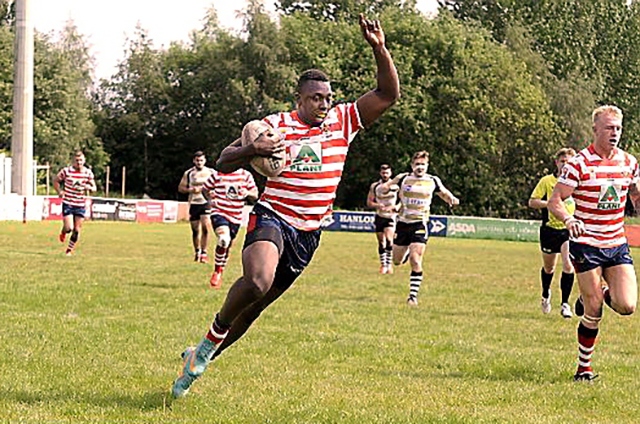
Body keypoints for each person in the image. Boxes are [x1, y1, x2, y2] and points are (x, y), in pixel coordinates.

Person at [171, 14, 400, 398]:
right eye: (316, 98)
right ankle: (208, 344)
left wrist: (379, 48)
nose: (324, 103)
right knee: (257, 281)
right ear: (300, 98)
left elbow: (388, 94)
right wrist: (251, 149)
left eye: (328, 97)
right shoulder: (274, 125)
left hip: (309, 233)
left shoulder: (343, 121)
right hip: (273, 216)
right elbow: (225, 159)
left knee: (255, 308)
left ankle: (200, 355)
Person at [548, 105, 640, 382]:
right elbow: (556, 200)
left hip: (616, 242)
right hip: (586, 242)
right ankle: (583, 369)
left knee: (627, 305)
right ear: (596, 129)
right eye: (610, 128)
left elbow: (635, 194)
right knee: (594, 309)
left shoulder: (629, 162)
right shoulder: (579, 163)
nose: (615, 133)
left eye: (619, 128)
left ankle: (594, 292)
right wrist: (567, 219)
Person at [379, 151, 459, 306]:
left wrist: (451, 198)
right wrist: (387, 189)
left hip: (420, 224)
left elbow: (442, 192)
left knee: (416, 260)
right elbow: (383, 188)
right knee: (396, 261)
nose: (420, 167)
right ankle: (407, 251)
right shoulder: (403, 178)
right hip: (402, 224)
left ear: (427, 165)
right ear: (412, 165)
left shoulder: (432, 180)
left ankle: (412, 297)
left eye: (423, 164)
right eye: (417, 164)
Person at [528, 148, 577, 318]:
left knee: (568, 264)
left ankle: (565, 304)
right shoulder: (547, 181)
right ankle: (545, 293)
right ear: (557, 163)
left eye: (569, 161)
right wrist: (549, 204)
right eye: (562, 161)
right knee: (549, 268)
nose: (565, 164)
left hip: (568, 230)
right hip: (549, 230)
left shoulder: (577, 183)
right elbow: (532, 202)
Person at [202, 168, 258, 289]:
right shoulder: (217, 174)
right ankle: (217, 271)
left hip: (236, 217)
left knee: (227, 246)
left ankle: (221, 269)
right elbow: (205, 189)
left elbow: (255, 194)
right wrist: (209, 199)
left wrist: (247, 193)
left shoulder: (245, 175)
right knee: (223, 239)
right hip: (219, 212)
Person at [53, 151, 96, 256]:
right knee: (69, 228)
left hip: (80, 204)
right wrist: (59, 191)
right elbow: (56, 180)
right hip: (68, 202)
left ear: (84, 161)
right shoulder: (66, 171)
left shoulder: (88, 173)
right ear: (73, 161)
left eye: (81, 160)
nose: (79, 162)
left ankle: (69, 250)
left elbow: (94, 188)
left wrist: (88, 187)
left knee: (76, 230)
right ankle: (63, 231)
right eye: (77, 160)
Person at [178, 151, 214, 263]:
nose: (199, 162)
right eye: (197, 160)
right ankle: (197, 251)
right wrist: (191, 190)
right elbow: (181, 188)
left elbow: (218, 185)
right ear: (194, 161)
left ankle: (204, 253)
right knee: (195, 230)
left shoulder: (211, 172)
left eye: (201, 160)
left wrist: (212, 192)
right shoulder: (189, 173)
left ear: (205, 161)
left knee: (206, 227)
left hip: (206, 202)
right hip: (194, 203)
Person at [366, 164, 399, 274]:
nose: (385, 175)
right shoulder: (375, 186)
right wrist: (377, 205)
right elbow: (369, 202)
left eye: (387, 173)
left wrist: (397, 207)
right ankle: (383, 264)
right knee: (381, 242)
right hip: (380, 216)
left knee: (389, 240)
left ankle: (389, 265)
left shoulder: (396, 186)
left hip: (391, 217)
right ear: (380, 173)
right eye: (383, 173)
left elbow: (403, 199)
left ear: (391, 173)